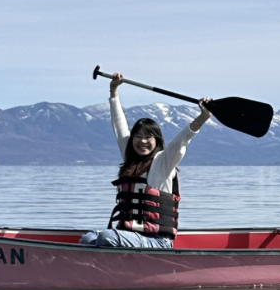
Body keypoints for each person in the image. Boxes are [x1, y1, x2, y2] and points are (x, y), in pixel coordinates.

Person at [80, 72, 212, 248]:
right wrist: (113, 91)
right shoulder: (130, 158)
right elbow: (119, 126)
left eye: (148, 137)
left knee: (106, 237)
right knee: (88, 238)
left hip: (158, 241)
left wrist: (202, 117)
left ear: (157, 141)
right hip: (131, 235)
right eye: (138, 136)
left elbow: (183, 138)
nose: (142, 141)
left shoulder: (164, 161)